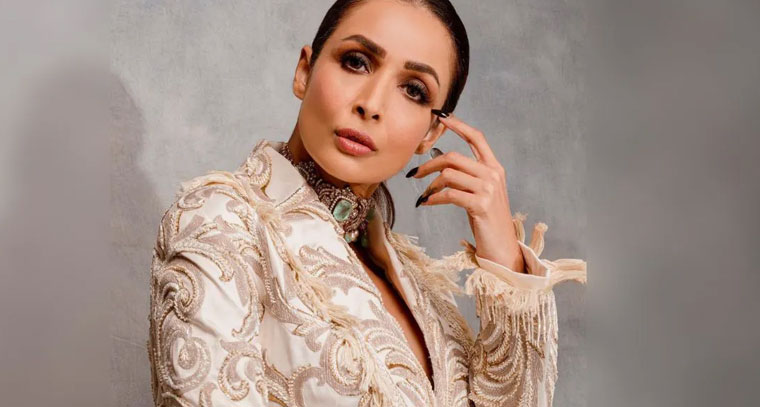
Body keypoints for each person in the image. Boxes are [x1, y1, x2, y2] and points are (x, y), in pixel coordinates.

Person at [146, 1, 587, 406]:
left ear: (431, 133)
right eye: (356, 62)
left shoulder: (417, 285)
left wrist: (506, 263)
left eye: (413, 90)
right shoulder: (220, 219)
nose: (372, 104)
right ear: (304, 71)